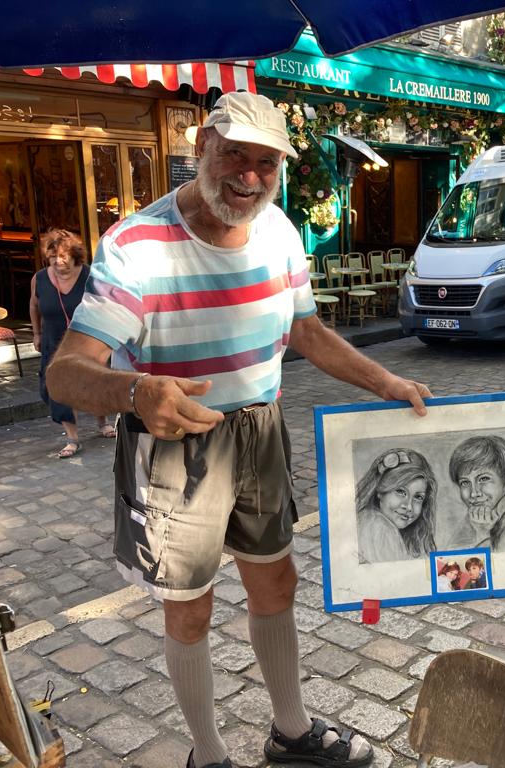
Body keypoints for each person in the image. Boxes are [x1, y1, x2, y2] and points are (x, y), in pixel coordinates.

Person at [46, 92, 431, 768]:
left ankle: (290, 733)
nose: (249, 177)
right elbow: (65, 372)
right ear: (202, 147)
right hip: (170, 443)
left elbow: (307, 332)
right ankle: (209, 754)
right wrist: (134, 392)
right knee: (188, 609)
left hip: (259, 429)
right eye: (234, 157)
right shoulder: (135, 244)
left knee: (275, 583)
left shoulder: (280, 232)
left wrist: (389, 383)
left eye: (265, 164)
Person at [29, 228, 115, 458]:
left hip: (87, 340)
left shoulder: (90, 276)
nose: (58, 262)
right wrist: (36, 334)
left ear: (74, 254)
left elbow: (105, 305)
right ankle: (72, 438)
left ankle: (102, 421)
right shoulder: (39, 279)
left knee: (95, 382)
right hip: (54, 341)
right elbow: (34, 306)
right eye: (53, 257)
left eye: (63, 257)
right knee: (57, 389)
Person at [355, 449, 436, 563]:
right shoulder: (379, 527)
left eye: (418, 497)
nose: (409, 507)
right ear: (380, 490)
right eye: (400, 492)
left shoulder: (366, 519)